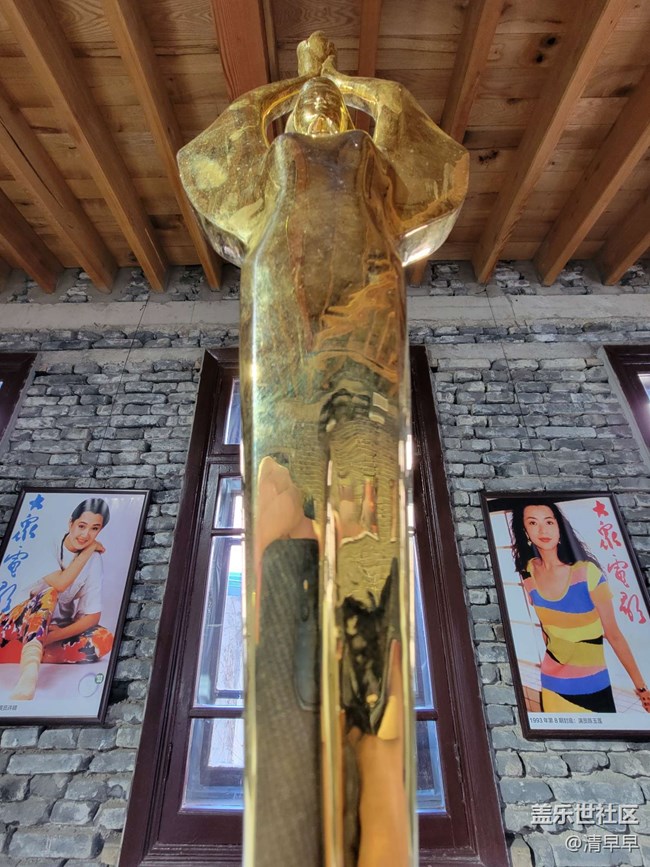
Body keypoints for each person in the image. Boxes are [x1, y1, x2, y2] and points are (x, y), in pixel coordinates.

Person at [179, 32, 467, 867]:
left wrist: (360, 88)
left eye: (329, 104)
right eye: (308, 104)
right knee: (282, 543)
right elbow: (208, 164)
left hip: (369, 342)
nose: (317, 107)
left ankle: (371, 819)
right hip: (280, 329)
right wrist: (281, 92)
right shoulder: (274, 167)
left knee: (369, 542)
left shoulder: (374, 167)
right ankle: (292, 823)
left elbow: (439, 176)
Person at [510, 500, 650, 714]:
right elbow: (547, 630)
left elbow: (614, 635)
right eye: (533, 523)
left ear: (559, 527)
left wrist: (642, 689)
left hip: (595, 688)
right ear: (525, 531)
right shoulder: (528, 572)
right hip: (552, 687)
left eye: (549, 522)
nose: (543, 530)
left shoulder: (587, 573)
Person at [0, 498, 114, 701]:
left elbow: (92, 616)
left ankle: (25, 651)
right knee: (50, 593)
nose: (86, 535)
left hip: (52, 632)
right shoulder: (46, 543)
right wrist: (89, 550)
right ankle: (29, 674)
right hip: (15, 624)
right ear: (71, 523)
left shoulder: (95, 560)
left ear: (100, 530)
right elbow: (60, 584)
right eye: (81, 526)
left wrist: (56, 635)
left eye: (94, 529)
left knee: (103, 639)